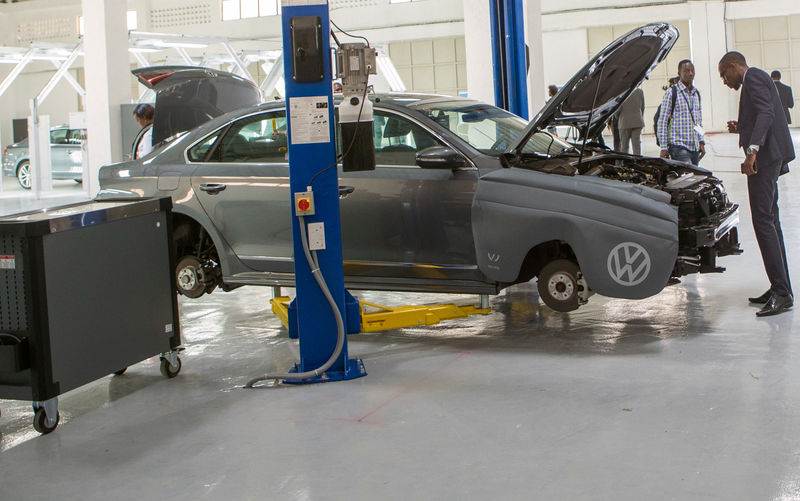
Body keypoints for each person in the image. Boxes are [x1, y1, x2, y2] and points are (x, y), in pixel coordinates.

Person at [719, 51, 795, 316]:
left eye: (723, 75)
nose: (724, 81)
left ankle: (782, 292)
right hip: (769, 156)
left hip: (764, 159)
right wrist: (741, 127)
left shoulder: (753, 78)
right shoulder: (757, 78)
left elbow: (766, 111)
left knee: (763, 221)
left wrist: (752, 150)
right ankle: (780, 287)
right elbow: (762, 114)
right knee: (770, 221)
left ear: (732, 66)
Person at [656, 59, 705, 164]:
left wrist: (701, 141)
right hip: (678, 147)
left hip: (694, 148)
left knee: (694, 178)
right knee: (687, 177)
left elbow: (698, 121)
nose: (690, 73)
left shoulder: (696, 94)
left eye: (692, 71)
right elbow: (662, 121)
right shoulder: (671, 93)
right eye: (687, 71)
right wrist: (663, 147)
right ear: (679, 74)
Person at [616, 86, 645, 155]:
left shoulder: (621, 92)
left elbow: (617, 109)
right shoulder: (640, 91)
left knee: (624, 147)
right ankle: (637, 162)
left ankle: (625, 164)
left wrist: (618, 118)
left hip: (624, 122)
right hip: (637, 121)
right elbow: (642, 107)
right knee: (637, 146)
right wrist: (640, 117)